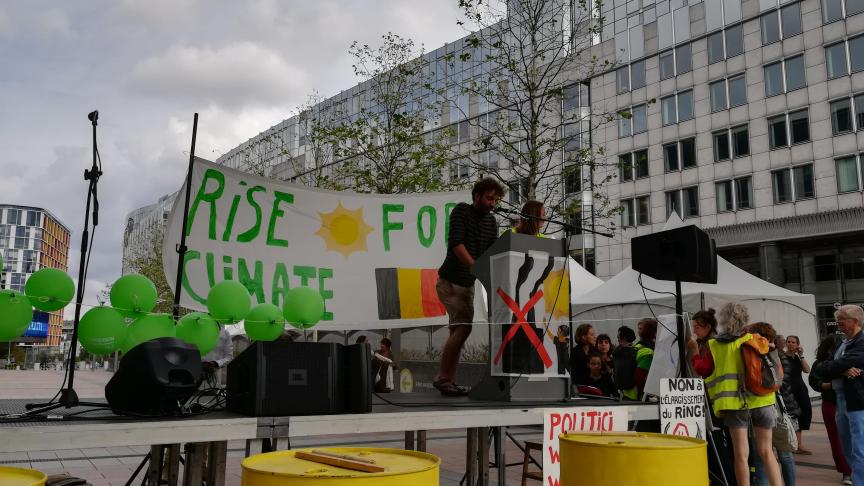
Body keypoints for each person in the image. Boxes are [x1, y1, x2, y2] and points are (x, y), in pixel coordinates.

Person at [695, 303, 782, 486]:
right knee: (767, 452)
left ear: (722, 321)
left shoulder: (714, 345)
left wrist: (693, 352)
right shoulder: (756, 339)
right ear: (745, 319)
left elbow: (702, 369)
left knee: (741, 455)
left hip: (734, 404)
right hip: (763, 400)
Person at [434, 177, 504, 396]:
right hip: (451, 281)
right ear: (476, 196)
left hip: (467, 283)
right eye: (488, 198)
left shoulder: (491, 222)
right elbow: (456, 244)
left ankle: (447, 379)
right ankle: (444, 378)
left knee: (459, 329)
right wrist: (476, 268)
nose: (492, 203)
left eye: (496, 200)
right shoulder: (462, 211)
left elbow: (492, 252)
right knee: (463, 328)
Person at [818, 304, 864, 485]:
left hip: (858, 403)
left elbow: (838, 364)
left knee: (859, 448)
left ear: (855, 321)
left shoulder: (861, 343)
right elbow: (821, 368)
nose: (838, 322)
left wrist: (837, 368)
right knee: (848, 448)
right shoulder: (843, 343)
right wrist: (842, 371)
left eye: (842, 319)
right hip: (841, 400)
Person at [809, 333, 853, 485]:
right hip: (833, 404)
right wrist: (833, 385)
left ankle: (848, 472)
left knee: (843, 439)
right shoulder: (822, 363)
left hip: (844, 403)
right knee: (840, 439)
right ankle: (847, 471)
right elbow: (814, 383)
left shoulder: (846, 361)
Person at [783, 335, 812, 454]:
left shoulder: (798, 358)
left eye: (793, 342)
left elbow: (807, 370)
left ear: (797, 344)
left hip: (800, 389)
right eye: (788, 342)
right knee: (791, 417)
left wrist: (801, 355)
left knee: (803, 414)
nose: (790, 344)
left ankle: (799, 444)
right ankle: (791, 444)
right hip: (788, 391)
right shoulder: (782, 357)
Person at [686, 308, 718, 377]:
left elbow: (703, 370)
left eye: (697, 327)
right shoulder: (703, 342)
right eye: (693, 328)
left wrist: (695, 350)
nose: (694, 331)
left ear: (708, 327)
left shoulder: (713, 344)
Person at [612, 326, 639, 400]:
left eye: (618, 335)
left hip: (621, 391)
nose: (617, 336)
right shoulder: (635, 352)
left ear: (624, 338)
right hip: (632, 391)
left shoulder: (616, 353)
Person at [633, 318, 657, 398]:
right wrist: (645, 395)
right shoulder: (647, 351)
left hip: (628, 394)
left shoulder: (636, 346)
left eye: (640, 329)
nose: (638, 331)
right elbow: (640, 376)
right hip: (638, 397)